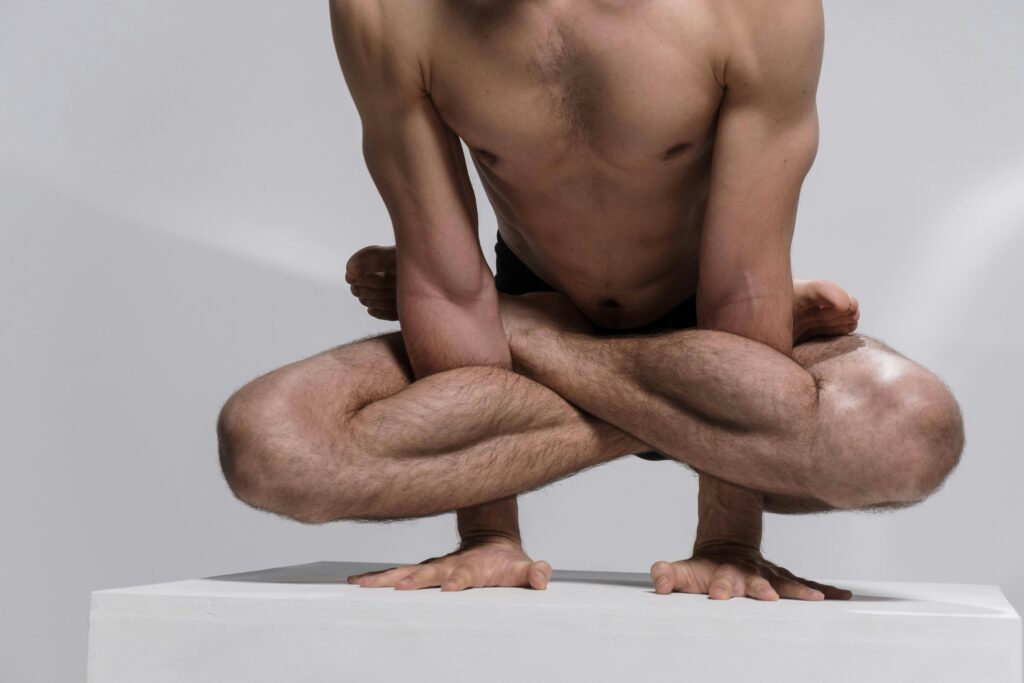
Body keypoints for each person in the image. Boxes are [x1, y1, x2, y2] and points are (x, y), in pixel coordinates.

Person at [216, 0, 964, 601]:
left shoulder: (756, 9)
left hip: (697, 318)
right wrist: (488, 537)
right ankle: (595, 362)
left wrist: (728, 542)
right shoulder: (384, 9)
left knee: (908, 432)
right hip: (519, 314)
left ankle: (546, 336)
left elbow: (740, 283)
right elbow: (448, 282)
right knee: (270, 444)